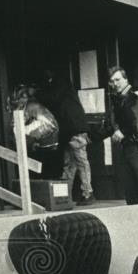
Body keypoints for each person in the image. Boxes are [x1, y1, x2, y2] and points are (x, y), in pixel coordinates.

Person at [40, 68, 94, 205]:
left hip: (73, 129)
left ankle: (85, 193)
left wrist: (38, 95)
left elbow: (53, 98)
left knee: (77, 162)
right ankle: (67, 195)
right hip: (73, 129)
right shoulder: (64, 83)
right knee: (72, 162)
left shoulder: (59, 83)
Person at [106, 65, 138, 205]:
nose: (114, 84)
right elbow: (113, 123)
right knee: (131, 195)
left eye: (117, 80)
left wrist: (123, 131)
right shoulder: (117, 99)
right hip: (126, 149)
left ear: (126, 79)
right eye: (111, 81)